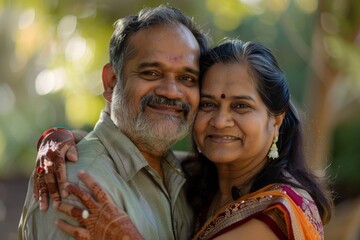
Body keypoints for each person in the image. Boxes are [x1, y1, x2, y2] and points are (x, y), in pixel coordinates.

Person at [29, 39, 333, 239]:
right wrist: (60, 138)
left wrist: (123, 236)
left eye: (241, 106)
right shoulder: (202, 181)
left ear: (275, 120)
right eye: (209, 104)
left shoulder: (275, 212)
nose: (220, 120)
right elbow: (125, 147)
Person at [18, 5, 209, 240]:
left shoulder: (188, 177)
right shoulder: (76, 187)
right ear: (111, 82)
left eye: (187, 78)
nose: (171, 92)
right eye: (151, 73)